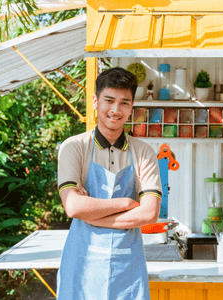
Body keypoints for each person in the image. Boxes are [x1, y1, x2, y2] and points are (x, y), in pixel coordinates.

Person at [56, 67, 162, 300]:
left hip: (127, 270)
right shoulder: (74, 147)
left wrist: (91, 213)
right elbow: (73, 207)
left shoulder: (143, 152)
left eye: (124, 102)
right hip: (81, 269)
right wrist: (125, 202)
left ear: (132, 106)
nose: (116, 110)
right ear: (95, 101)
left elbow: (150, 213)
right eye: (109, 100)